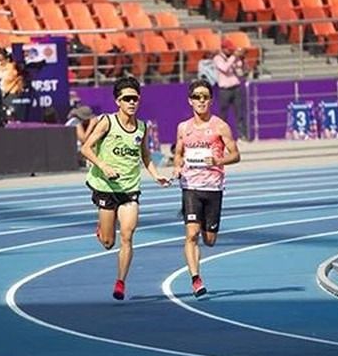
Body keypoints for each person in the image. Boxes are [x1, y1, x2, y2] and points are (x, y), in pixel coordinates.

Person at [81, 76, 170, 300]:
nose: (131, 102)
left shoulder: (142, 127)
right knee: (108, 242)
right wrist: (103, 165)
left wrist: (156, 175)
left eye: (135, 98)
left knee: (128, 235)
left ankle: (120, 282)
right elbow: (86, 148)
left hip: (130, 188)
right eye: (127, 99)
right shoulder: (107, 122)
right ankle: (102, 229)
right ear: (117, 101)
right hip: (106, 187)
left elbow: (145, 155)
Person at [172, 79, 241, 297]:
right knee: (191, 234)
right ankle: (196, 279)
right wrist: (177, 167)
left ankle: (204, 226)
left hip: (213, 188)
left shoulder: (220, 126)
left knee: (209, 240)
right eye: (197, 97)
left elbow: (236, 155)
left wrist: (218, 161)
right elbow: (178, 154)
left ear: (211, 100)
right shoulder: (183, 127)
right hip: (190, 186)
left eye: (205, 97)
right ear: (190, 101)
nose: (201, 101)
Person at [213, 37, 248, 140]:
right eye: (229, 49)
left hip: (236, 88)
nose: (231, 51)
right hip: (225, 90)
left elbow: (240, 71)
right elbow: (224, 68)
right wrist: (233, 57)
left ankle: (242, 135)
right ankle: (222, 136)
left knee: (240, 113)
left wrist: (241, 59)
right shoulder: (217, 58)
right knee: (223, 114)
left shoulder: (234, 58)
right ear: (223, 49)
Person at [0, 47, 23, 121]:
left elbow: (19, 78)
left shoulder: (12, 66)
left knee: (12, 113)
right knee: (3, 113)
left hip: (12, 93)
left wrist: (15, 88)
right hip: (2, 94)